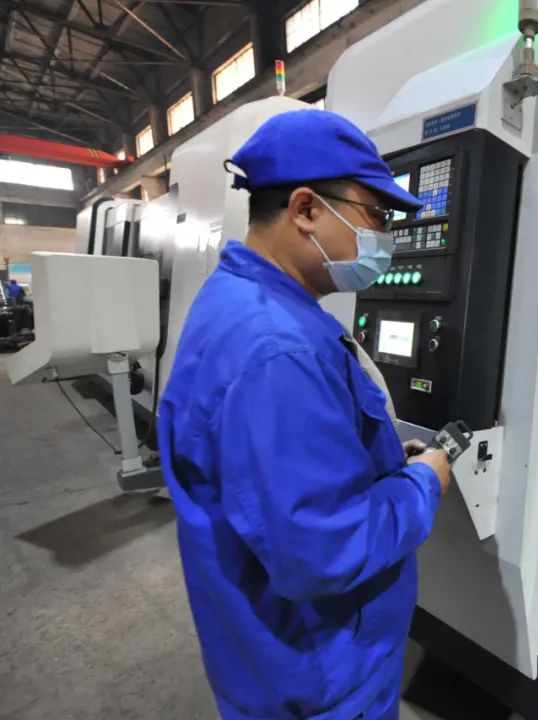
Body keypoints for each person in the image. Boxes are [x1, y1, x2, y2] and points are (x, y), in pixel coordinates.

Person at [157, 110, 452, 720]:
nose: (385, 239)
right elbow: (322, 550)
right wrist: (425, 482)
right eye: (377, 216)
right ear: (306, 209)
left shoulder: (241, 302)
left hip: (267, 656)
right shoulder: (276, 351)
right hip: (322, 678)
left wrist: (378, 461)